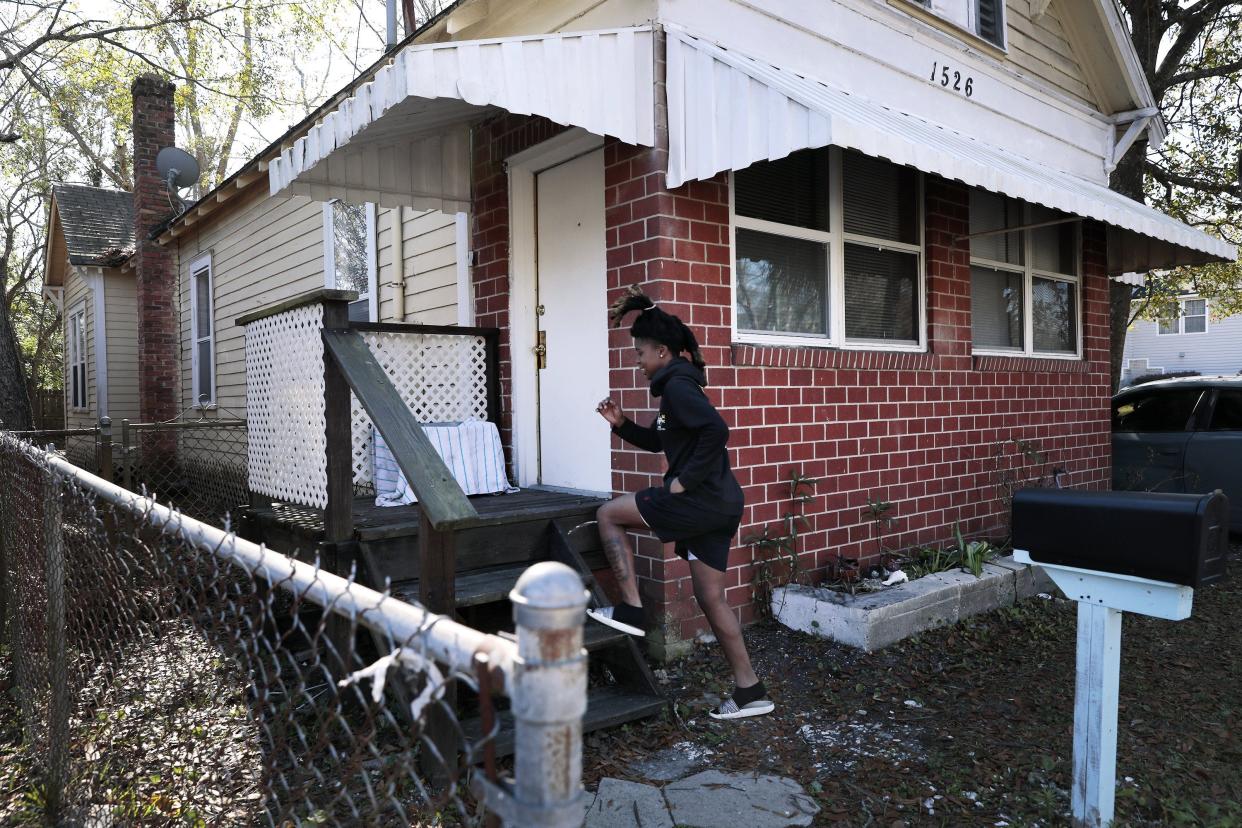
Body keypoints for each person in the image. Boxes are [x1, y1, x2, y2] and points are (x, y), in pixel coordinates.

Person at [587, 286, 774, 720]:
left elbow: (715, 431)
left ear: (664, 352)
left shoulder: (679, 391)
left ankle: (631, 609)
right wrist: (621, 425)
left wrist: (682, 483)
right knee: (712, 599)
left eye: (641, 353)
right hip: (720, 504)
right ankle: (750, 689)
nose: (637, 361)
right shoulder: (679, 386)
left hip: (700, 501)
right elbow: (659, 441)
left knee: (608, 515)